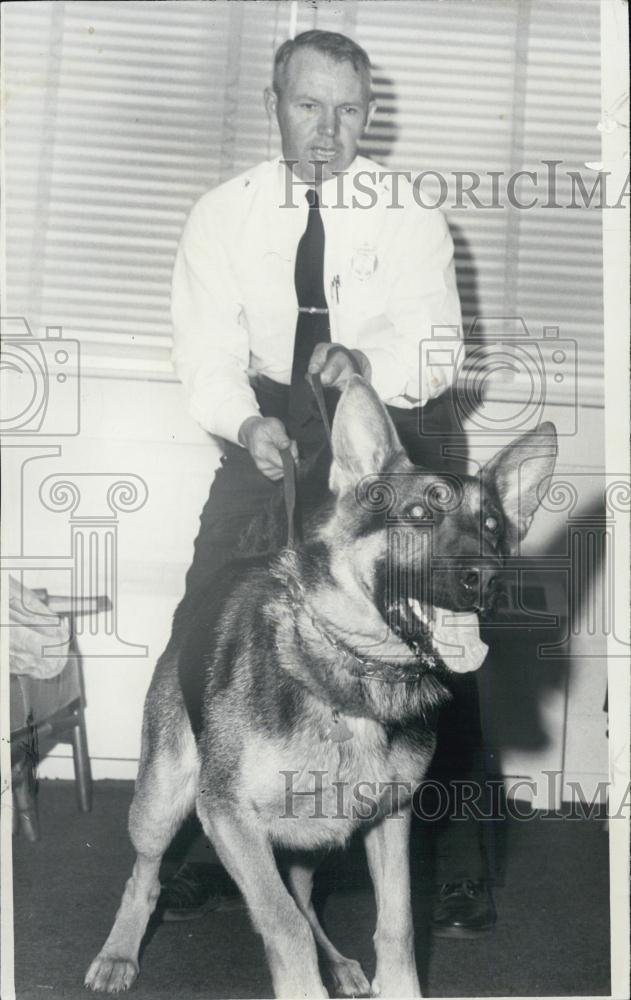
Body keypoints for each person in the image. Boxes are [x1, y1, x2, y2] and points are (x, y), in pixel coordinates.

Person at [161, 28, 495, 938]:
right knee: (206, 613)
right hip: (273, 414)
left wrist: (364, 366)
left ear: (369, 114)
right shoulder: (221, 214)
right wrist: (245, 425)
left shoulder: (410, 212)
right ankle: (206, 842)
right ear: (274, 103)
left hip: (396, 415)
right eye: (308, 105)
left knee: (440, 627)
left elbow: (435, 347)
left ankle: (459, 867)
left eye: (348, 110)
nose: (327, 128)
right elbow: (206, 353)